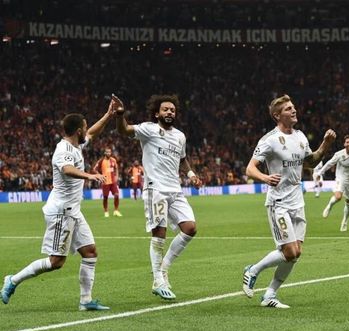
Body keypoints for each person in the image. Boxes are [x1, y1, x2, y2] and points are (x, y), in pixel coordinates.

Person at [1, 97, 119, 310]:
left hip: (73, 211)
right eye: (83, 127)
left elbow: (93, 132)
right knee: (56, 262)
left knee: (90, 252)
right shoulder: (62, 150)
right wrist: (88, 176)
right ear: (77, 131)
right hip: (61, 212)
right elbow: (66, 170)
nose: (86, 130)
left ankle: (85, 301)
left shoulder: (77, 145)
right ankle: (13, 280)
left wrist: (109, 115)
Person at [243, 94, 336, 308]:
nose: (294, 111)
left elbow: (310, 162)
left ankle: (269, 295)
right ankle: (253, 270)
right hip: (279, 203)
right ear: (277, 115)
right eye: (288, 109)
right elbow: (250, 168)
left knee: (296, 254)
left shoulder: (301, 136)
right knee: (290, 252)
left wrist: (326, 144)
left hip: (297, 200)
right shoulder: (269, 140)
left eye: (293, 107)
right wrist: (266, 178)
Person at [114, 94, 202, 301]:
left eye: (172, 110)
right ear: (157, 113)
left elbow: (183, 159)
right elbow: (124, 130)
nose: (169, 112)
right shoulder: (149, 129)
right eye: (165, 109)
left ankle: (164, 268)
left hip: (175, 190)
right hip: (156, 190)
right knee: (159, 234)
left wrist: (191, 175)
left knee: (190, 228)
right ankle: (157, 281)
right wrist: (120, 115)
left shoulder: (180, 136)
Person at [319, 135, 349, 232]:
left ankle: (344, 222)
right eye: (347, 142)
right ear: (344, 144)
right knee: (338, 197)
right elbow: (329, 163)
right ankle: (329, 206)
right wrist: (320, 172)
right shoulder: (339, 154)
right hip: (341, 178)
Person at [93, 148, 122, 217]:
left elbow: (116, 168)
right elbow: (94, 169)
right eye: (107, 152)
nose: (109, 153)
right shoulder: (101, 161)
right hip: (105, 182)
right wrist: (100, 175)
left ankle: (116, 211)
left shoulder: (113, 160)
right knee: (105, 197)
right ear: (105, 153)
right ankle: (106, 211)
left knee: (117, 195)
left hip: (113, 182)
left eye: (110, 152)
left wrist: (117, 176)